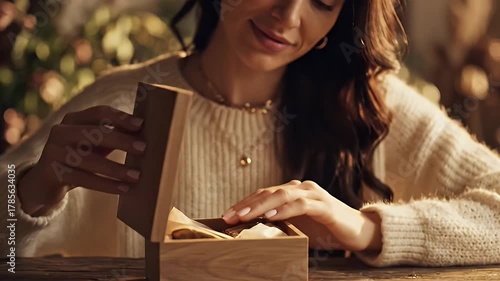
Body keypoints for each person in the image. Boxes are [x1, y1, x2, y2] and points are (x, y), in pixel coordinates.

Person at [1, 0, 499, 267]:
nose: (288, 16)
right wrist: (30, 192)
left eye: (322, 1)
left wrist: (368, 230)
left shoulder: (371, 107)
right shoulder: (121, 102)